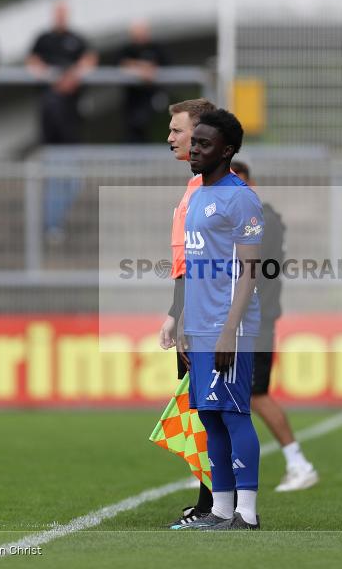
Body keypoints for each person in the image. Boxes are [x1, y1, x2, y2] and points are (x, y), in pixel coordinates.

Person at [177, 109, 263, 530]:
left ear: (226, 151)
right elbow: (195, 266)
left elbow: (249, 271)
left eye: (204, 144)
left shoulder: (240, 198)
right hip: (200, 326)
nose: (194, 149)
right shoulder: (198, 194)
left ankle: (247, 513)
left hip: (230, 327)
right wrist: (184, 322)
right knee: (210, 416)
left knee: (233, 414)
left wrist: (230, 330)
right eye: (194, 142)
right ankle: (222, 510)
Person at [230, 159, 319, 492]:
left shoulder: (262, 221)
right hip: (245, 320)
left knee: (256, 394)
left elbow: (247, 269)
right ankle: (222, 472)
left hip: (255, 320)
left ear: (251, 185)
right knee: (235, 397)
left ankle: (299, 463)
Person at [159, 97, 217, 529]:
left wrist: (187, 316)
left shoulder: (211, 188)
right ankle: (211, 502)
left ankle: (220, 506)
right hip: (194, 312)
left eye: (177, 130)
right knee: (201, 413)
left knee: (212, 414)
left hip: (207, 317)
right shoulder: (195, 185)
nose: (170, 138)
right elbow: (185, 260)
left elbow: (206, 262)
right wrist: (175, 313)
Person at [26, 1, 98, 242]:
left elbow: (90, 58)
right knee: (57, 179)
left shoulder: (76, 40)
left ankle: (53, 223)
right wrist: (51, 77)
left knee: (72, 181)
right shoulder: (43, 40)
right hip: (55, 138)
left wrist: (75, 75)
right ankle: (51, 225)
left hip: (70, 133)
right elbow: (32, 61)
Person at [117, 20, 169, 143]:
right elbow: (120, 65)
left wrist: (148, 70)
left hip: (152, 98)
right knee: (133, 129)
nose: (139, 37)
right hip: (132, 100)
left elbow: (166, 65)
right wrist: (142, 68)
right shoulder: (126, 49)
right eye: (136, 34)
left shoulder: (156, 48)